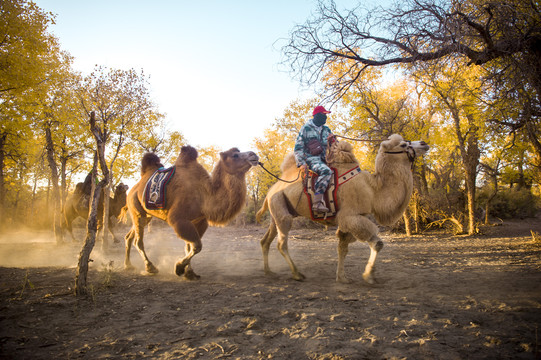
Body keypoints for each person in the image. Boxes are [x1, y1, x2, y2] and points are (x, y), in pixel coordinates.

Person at [294, 105, 334, 213]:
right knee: (326, 171)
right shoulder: (306, 128)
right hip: (312, 159)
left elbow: (335, 146)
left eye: (326, 115)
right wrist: (301, 163)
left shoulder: (326, 129)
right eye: (323, 114)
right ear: (317, 115)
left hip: (326, 159)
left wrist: (333, 140)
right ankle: (317, 203)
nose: (325, 117)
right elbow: (298, 147)